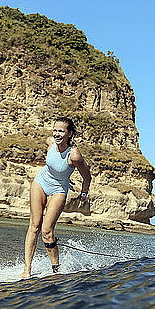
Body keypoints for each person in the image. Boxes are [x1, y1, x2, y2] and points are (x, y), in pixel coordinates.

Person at [21, 117, 91, 278]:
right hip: (40, 182)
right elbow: (51, 151)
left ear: (69, 134)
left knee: (46, 231)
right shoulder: (50, 142)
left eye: (61, 131)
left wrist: (83, 194)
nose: (57, 134)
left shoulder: (74, 155)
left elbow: (87, 177)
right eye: (55, 130)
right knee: (34, 225)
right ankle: (27, 269)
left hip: (59, 189)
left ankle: (56, 270)